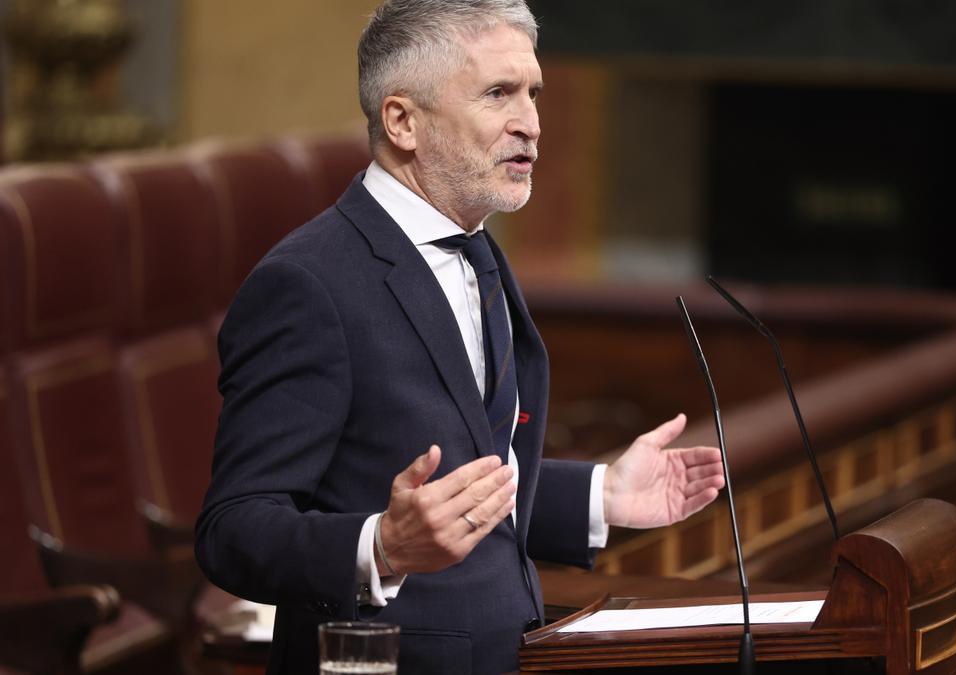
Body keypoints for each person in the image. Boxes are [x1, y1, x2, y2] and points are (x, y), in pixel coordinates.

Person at [194, 1, 725, 673]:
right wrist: (380, 546)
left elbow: (465, 473)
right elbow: (231, 530)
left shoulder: (479, 254)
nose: (530, 123)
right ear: (402, 121)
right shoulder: (308, 284)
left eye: (533, 92)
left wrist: (601, 495)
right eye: (498, 94)